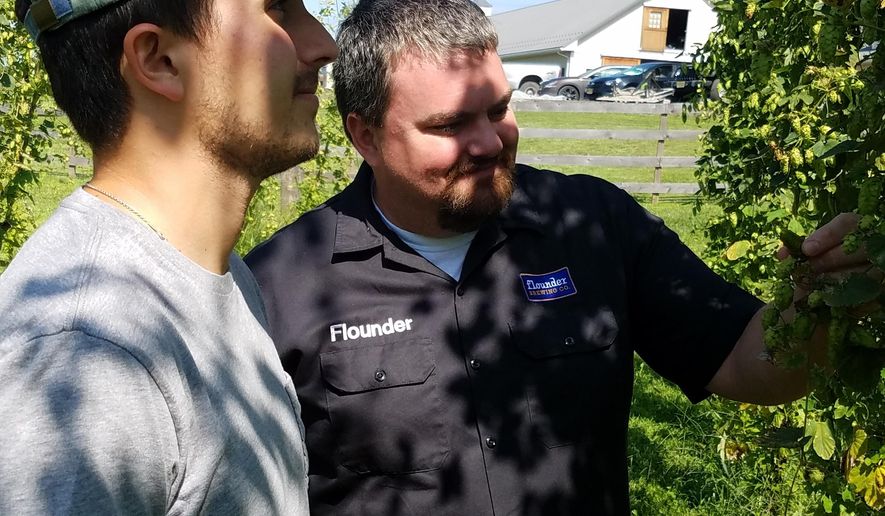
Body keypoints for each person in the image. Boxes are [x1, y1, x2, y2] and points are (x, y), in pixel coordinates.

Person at [245, 0, 865, 514]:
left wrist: (819, 303)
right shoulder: (279, 288)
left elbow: (752, 366)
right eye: (450, 124)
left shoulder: (594, 226)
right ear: (365, 135)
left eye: (498, 109)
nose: (490, 142)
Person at [0, 0, 336, 514]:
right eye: (278, 10)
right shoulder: (89, 357)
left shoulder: (215, 274)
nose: (322, 44)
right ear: (159, 60)